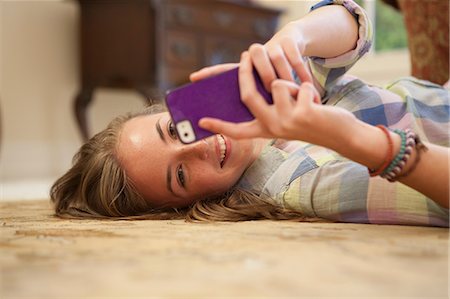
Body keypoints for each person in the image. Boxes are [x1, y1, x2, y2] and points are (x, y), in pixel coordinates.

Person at [51, 0, 449, 227]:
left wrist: (294, 37)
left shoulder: (267, 97)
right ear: (187, 205)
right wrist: (349, 138)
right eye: (181, 175)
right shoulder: (300, 187)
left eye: (176, 132)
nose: (200, 149)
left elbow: (354, 28)